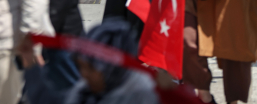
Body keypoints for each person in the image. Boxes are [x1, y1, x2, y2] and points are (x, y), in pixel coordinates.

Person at [24, 19, 158, 104]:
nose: (84, 74)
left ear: (112, 68)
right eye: (81, 66)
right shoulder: (86, 91)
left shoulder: (142, 96)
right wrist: (29, 62)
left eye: (91, 68)